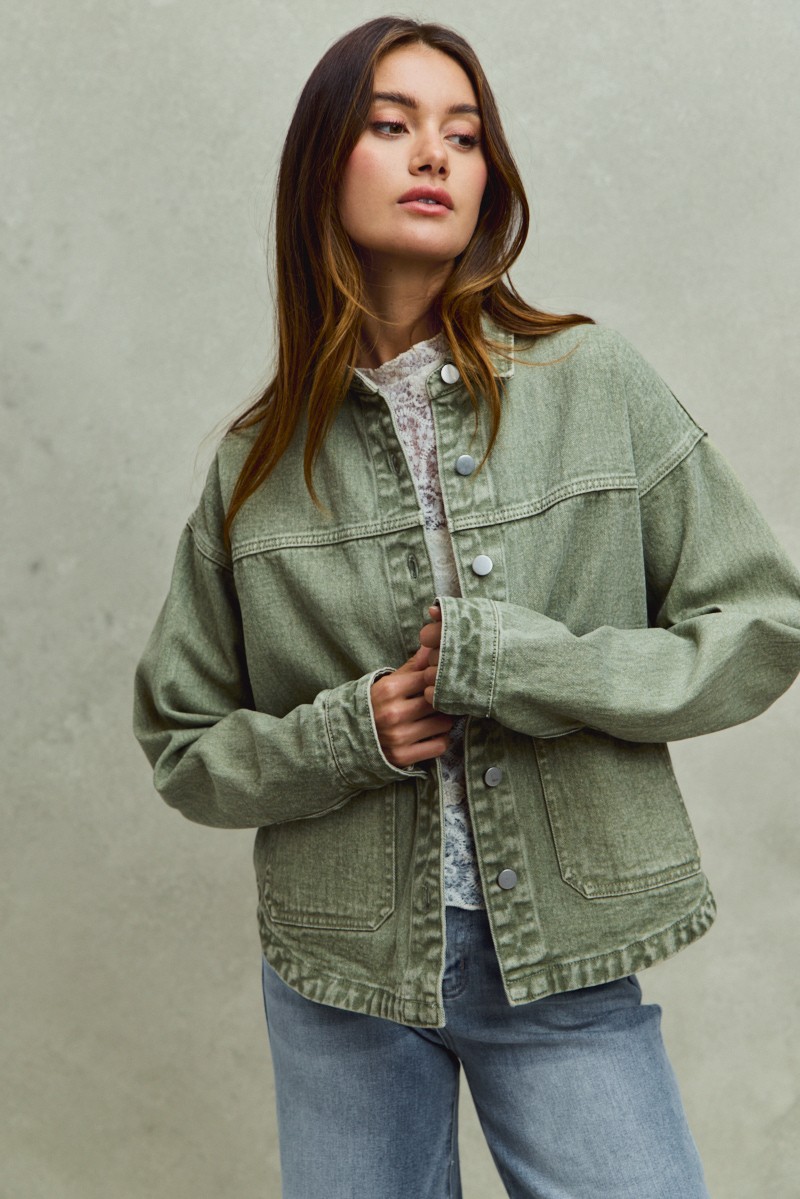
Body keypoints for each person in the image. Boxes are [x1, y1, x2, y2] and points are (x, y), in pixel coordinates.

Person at [132, 15, 800, 1199]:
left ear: (490, 174)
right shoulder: (254, 466)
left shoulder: (593, 381)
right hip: (339, 970)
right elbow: (184, 743)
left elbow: (760, 621)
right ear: (323, 164)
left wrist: (533, 665)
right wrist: (346, 733)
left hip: (557, 948)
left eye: (463, 133)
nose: (433, 154)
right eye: (391, 125)